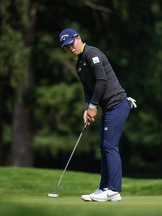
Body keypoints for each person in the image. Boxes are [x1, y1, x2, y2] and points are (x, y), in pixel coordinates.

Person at [58, 28, 136, 202]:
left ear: (78, 38)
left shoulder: (92, 53)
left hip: (117, 104)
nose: (70, 49)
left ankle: (113, 189)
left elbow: (102, 81)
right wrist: (87, 108)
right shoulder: (79, 65)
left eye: (71, 44)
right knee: (104, 147)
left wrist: (94, 106)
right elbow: (88, 90)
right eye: (66, 47)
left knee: (109, 146)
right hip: (109, 108)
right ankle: (104, 188)